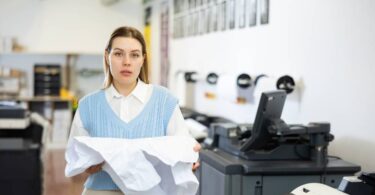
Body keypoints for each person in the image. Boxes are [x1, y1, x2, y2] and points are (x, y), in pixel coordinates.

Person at [67, 26, 201, 195]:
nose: (127, 62)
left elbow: (182, 146)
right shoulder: (87, 105)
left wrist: (188, 158)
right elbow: (78, 158)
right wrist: (90, 164)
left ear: (143, 59)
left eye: (134, 55)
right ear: (107, 57)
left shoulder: (164, 100)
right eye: (118, 54)